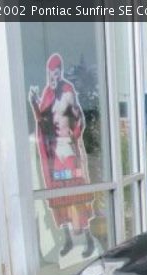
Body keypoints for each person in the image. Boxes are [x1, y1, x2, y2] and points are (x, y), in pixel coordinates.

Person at [29, 53, 96, 258]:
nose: (53, 78)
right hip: (54, 157)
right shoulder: (47, 95)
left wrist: (74, 138)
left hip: (68, 152)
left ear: (61, 72)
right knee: (60, 199)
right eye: (51, 74)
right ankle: (67, 239)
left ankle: (88, 240)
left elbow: (79, 119)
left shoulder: (68, 92)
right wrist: (34, 103)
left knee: (76, 197)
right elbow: (42, 123)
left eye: (56, 73)